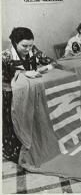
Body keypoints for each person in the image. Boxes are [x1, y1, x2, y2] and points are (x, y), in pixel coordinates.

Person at [2, 27, 55, 163]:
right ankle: (13, 151)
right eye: (24, 46)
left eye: (30, 45)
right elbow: (6, 76)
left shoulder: (33, 50)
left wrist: (43, 68)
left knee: (32, 117)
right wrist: (25, 73)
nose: (28, 49)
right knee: (12, 121)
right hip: (10, 93)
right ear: (15, 42)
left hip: (30, 90)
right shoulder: (5, 56)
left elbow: (51, 62)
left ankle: (33, 146)